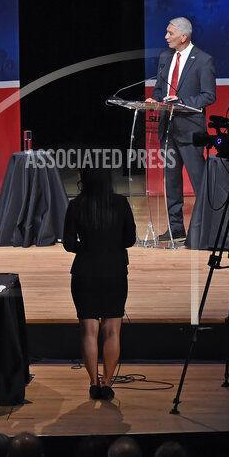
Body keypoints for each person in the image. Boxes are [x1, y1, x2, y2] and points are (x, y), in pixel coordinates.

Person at [62, 168, 136, 401]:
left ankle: (93, 383)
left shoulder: (76, 205)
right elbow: (130, 239)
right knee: (113, 330)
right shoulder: (121, 203)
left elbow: (68, 244)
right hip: (114, 271)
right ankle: (107, 383)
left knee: (89, 330)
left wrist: (87, 247)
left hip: (85, 271)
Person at [145, 17, 216, 243]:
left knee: (199, 181)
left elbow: (208, 96)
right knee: (172, 183)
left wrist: (182, 101)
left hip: (190, 130)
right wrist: (155, 100)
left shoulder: (204, 60)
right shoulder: (166, 57)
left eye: (170, 33)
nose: (166, 37)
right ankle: (176, 228)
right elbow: (159, 89)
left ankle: (208, 227)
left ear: (183, 36)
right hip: (167, 129)